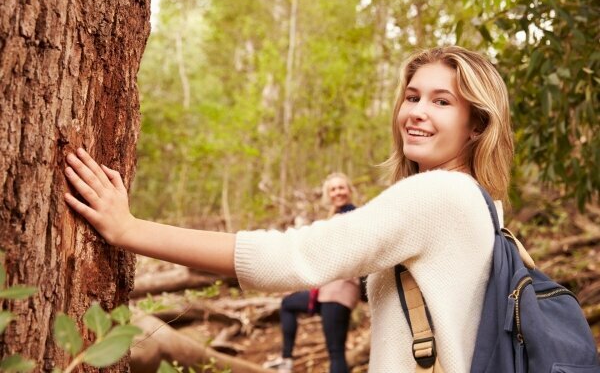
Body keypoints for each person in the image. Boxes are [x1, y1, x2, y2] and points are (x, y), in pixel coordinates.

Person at [64, 46, 513, 372]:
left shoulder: (437, 196)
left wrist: (129, 229)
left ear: (475, 125)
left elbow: (290, 258)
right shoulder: (482, 204)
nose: (416, 112)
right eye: (412, 97)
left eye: (441, 101)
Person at [263, 173, 360, 373]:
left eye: (341, 187)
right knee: (288, 304)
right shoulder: (335, 217)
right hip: (326, 291)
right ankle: (286, 360)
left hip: (340, 291)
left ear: (350, 191)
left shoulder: (352, 216)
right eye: (333, 189)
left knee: (335, 352)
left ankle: (287, 360)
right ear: (327, 195)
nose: (338, 192)